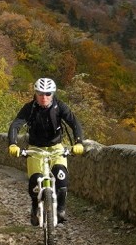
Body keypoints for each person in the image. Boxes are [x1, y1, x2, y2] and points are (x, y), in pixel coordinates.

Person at [8, 77, 84, 225]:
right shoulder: (29, 108)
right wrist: (12, 144)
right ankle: (35, 207)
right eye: (40, 93)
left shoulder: (60, 106)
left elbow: (75, 123)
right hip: (35, 149)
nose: (44, 97)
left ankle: (60, 210)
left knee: (61, 180)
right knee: (35, 181)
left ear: (53, 93)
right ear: (35, 93)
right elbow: (15, 125)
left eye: (48, 93)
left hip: (56, 148)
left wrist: (79, 142)